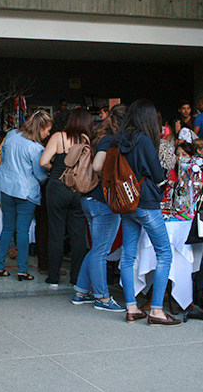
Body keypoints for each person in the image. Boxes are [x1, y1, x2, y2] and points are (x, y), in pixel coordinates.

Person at [115, 99, 180, 326]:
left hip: (126, 201)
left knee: (128, 255)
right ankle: (156, 310)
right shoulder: (143, 140)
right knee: (165, 254)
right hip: (145, 201)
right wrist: (162, 184)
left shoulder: (119, 138)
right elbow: (156, 171)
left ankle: (131, 307)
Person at [72, 104, 127, 312]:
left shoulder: (99, 136)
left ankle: (81, 291)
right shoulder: (111, 140)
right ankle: (102, 298)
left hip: (89, 198)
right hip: (103, 200)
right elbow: (97, 165)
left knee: (96, 248)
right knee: (101, 251)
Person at [0, 110, 52, 280]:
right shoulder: (37, 148)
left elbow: (2, 158)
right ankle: (22, 270)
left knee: (7, 228)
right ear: (40, 128)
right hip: (26, 191)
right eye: (47, 130)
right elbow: (40, 175)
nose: (48, 134)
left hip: (5, 186)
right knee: (22, 231)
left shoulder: (10, 135)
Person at [40, 108, 92, 288]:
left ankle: (53, 277)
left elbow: (43, 162)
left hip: (57, 187)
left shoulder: (59, 137)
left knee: (56, 233)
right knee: (78, 234)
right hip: (78, 189)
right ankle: (76, 278)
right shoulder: (86, 139)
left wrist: (56, 167)